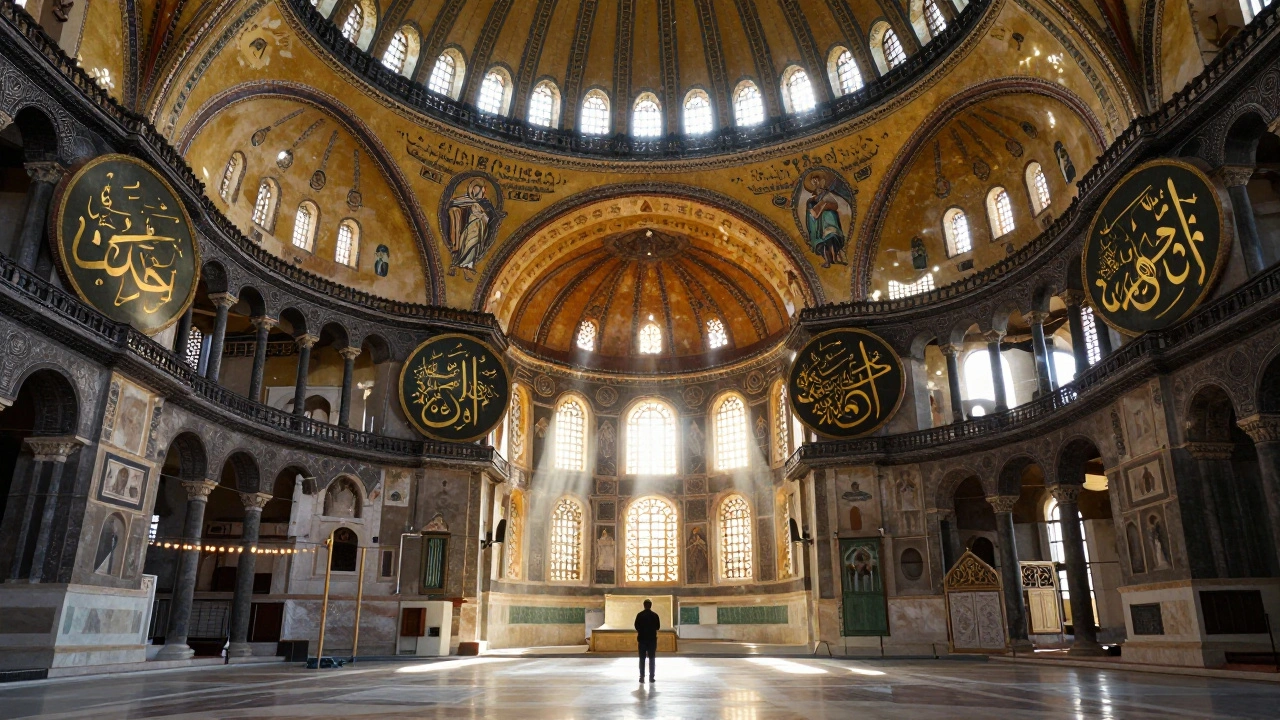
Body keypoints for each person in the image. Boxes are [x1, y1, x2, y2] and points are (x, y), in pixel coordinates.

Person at [634, 599, 660, 683]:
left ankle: (642, 677)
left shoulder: (640, 615)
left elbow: (636, 626)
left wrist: (642, 631)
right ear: (650, 605)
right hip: (652, 639)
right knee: (652, 658)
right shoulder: (655, 615)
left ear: (644, 605)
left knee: (642, 659)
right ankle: (651, 677)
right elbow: (658, 627)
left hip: (642, 639)